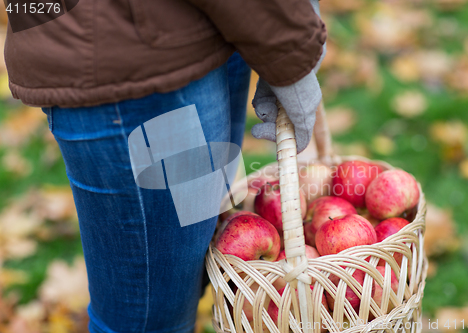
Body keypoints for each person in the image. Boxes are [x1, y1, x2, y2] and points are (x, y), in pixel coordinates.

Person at [4, 0, 326, 332]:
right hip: (134, 54)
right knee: (150, 319)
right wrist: (290, 47)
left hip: (203, 27)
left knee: (184, 280)